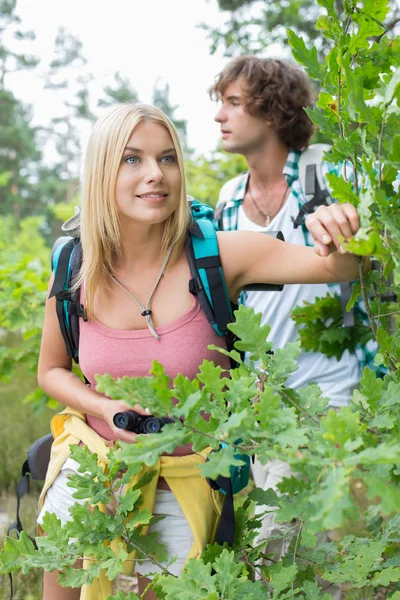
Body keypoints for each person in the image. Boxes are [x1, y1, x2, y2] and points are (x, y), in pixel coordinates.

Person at [37, 102, 364, 600]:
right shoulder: (74, 264)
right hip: (90, 475)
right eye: (133, 159)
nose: (156, 175)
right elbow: (52, 370)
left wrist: (339, 228)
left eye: (168, 158)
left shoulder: (217, 256)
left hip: (184, 488)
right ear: (102, 169)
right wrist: (102, 407)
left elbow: (337, 269)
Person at [209, 55, 371, 584]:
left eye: (233, 102)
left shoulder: (327, 171)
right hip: (267, 407)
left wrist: (353, 229)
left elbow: (371, 256)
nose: (220, 116)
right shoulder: (229, 200)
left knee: (343, 563)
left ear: (272, 111)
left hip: (337, 396)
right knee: (275, 562)